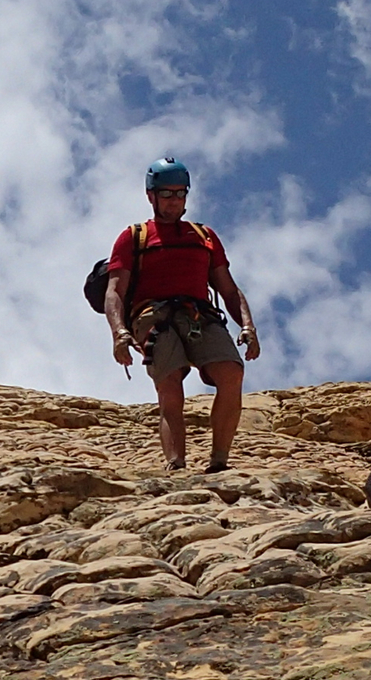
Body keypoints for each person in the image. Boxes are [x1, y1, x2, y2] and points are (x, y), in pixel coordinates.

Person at [102, 156, 261, 471]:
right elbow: (114, 291)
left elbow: (228, 289)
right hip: (152, 316)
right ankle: (176, 464)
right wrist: (119, 333)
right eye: (167, 194)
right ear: (152, 197)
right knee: (170, 383)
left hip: (199, 315)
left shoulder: (204, 236)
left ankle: (219, 462)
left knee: (231, 372)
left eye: (180, 193)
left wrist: (247, 326)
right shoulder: (134, 237)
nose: (175, 200)